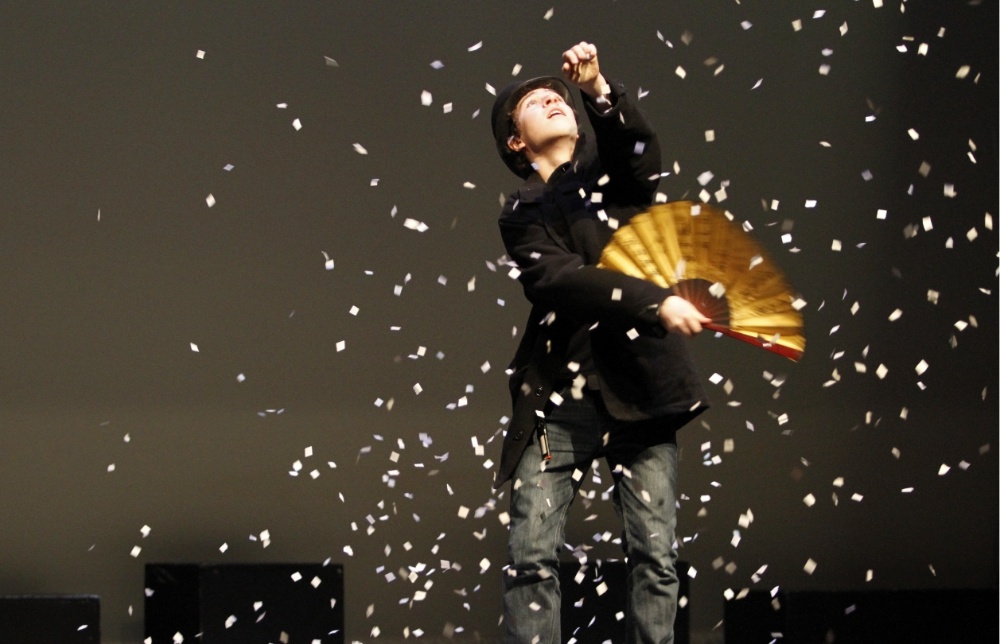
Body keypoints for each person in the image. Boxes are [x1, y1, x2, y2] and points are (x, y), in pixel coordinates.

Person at [490, 42, 712, 643]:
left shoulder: (615, 184)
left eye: (557, 96)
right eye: (535, 103)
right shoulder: (522, 213)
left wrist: (596, 91)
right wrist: (655, 301)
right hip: (560, 402)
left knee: (656, 558)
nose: (552, 100)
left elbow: (639, 157)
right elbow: (561, 280)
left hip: (642, 391)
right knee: (531, 554)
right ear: (518, 142)